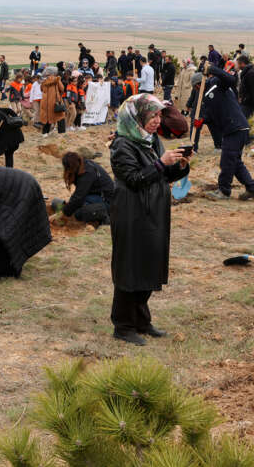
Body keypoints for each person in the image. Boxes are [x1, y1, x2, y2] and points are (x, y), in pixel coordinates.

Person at [108, 94, 189, 345]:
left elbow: (162, 176)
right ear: (136, 118)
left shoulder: (150, 141)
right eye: (151, 116)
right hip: (131, 212)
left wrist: (181, 165)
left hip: (153, 211)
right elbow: (134, 179)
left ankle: (141, 321)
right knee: (130, 267)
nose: (157, 121)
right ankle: (123, 325)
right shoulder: (122, 146)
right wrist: (161, 164)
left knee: (148, 264)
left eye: (158, 116)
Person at [195, 67, 254, 201]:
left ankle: (224, 191)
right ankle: (252, 189)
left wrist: (213, 69)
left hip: (236, 127)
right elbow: (211, 115)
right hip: (232, 129)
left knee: (226, 161)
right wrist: (202, 120)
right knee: (235, 162)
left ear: (198, 85)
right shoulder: (207, 97)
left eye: (195, 88)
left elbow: (231, 79)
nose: (196, 91)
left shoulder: (217, 83)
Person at [56, 151, 116, 225]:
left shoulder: (87, 173)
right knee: (75, 205)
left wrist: (63, 213)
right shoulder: (82, 165)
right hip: (97, 195)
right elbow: (79, 194)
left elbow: (79, 196)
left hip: (109, 201)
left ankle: (104, 216)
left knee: (79, 213)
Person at [38, 66, 67, 135]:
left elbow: (41, 89)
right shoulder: (57, 80)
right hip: (56, 102)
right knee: (60, 116)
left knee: (47, 117)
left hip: (45, 102)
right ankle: (61, 132)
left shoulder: (43, 81)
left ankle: (45, 132)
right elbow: (62, 89)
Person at [236, 54, 254, 120]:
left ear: (242, 63)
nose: (237, 66)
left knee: (243, 120)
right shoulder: (245, 72)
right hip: (244, 100)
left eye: (238, 64)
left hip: (248, 103)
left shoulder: (251, 73)